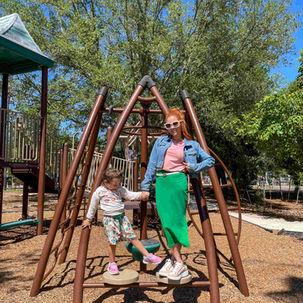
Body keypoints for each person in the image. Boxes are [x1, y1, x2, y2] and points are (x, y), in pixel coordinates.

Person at [141, 108, 215, 280]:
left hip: (177, 182)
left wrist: (195, 167)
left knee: (177, 221)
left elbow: (209, 160)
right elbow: (152, 165)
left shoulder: (192, 145)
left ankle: (178, 262)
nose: (172, 127)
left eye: (175, 124)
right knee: (166, 223)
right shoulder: (160, 143)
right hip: (161, 183)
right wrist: (145, 186)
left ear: (181, 124)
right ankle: (174, 260)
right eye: (168, 125)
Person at [82, 168, 161, 275]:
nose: (117, 186)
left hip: (122, 217)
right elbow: (93, 205)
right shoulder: (100, 191)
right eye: (115, 184)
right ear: (106, 182)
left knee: (132, 237)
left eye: (118, 183)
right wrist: (88, 219)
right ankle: (112, 263)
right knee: (112, 241)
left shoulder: (119, 189)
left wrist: (140, 195)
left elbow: (129, 195)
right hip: (110, 219)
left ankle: (147, 256)